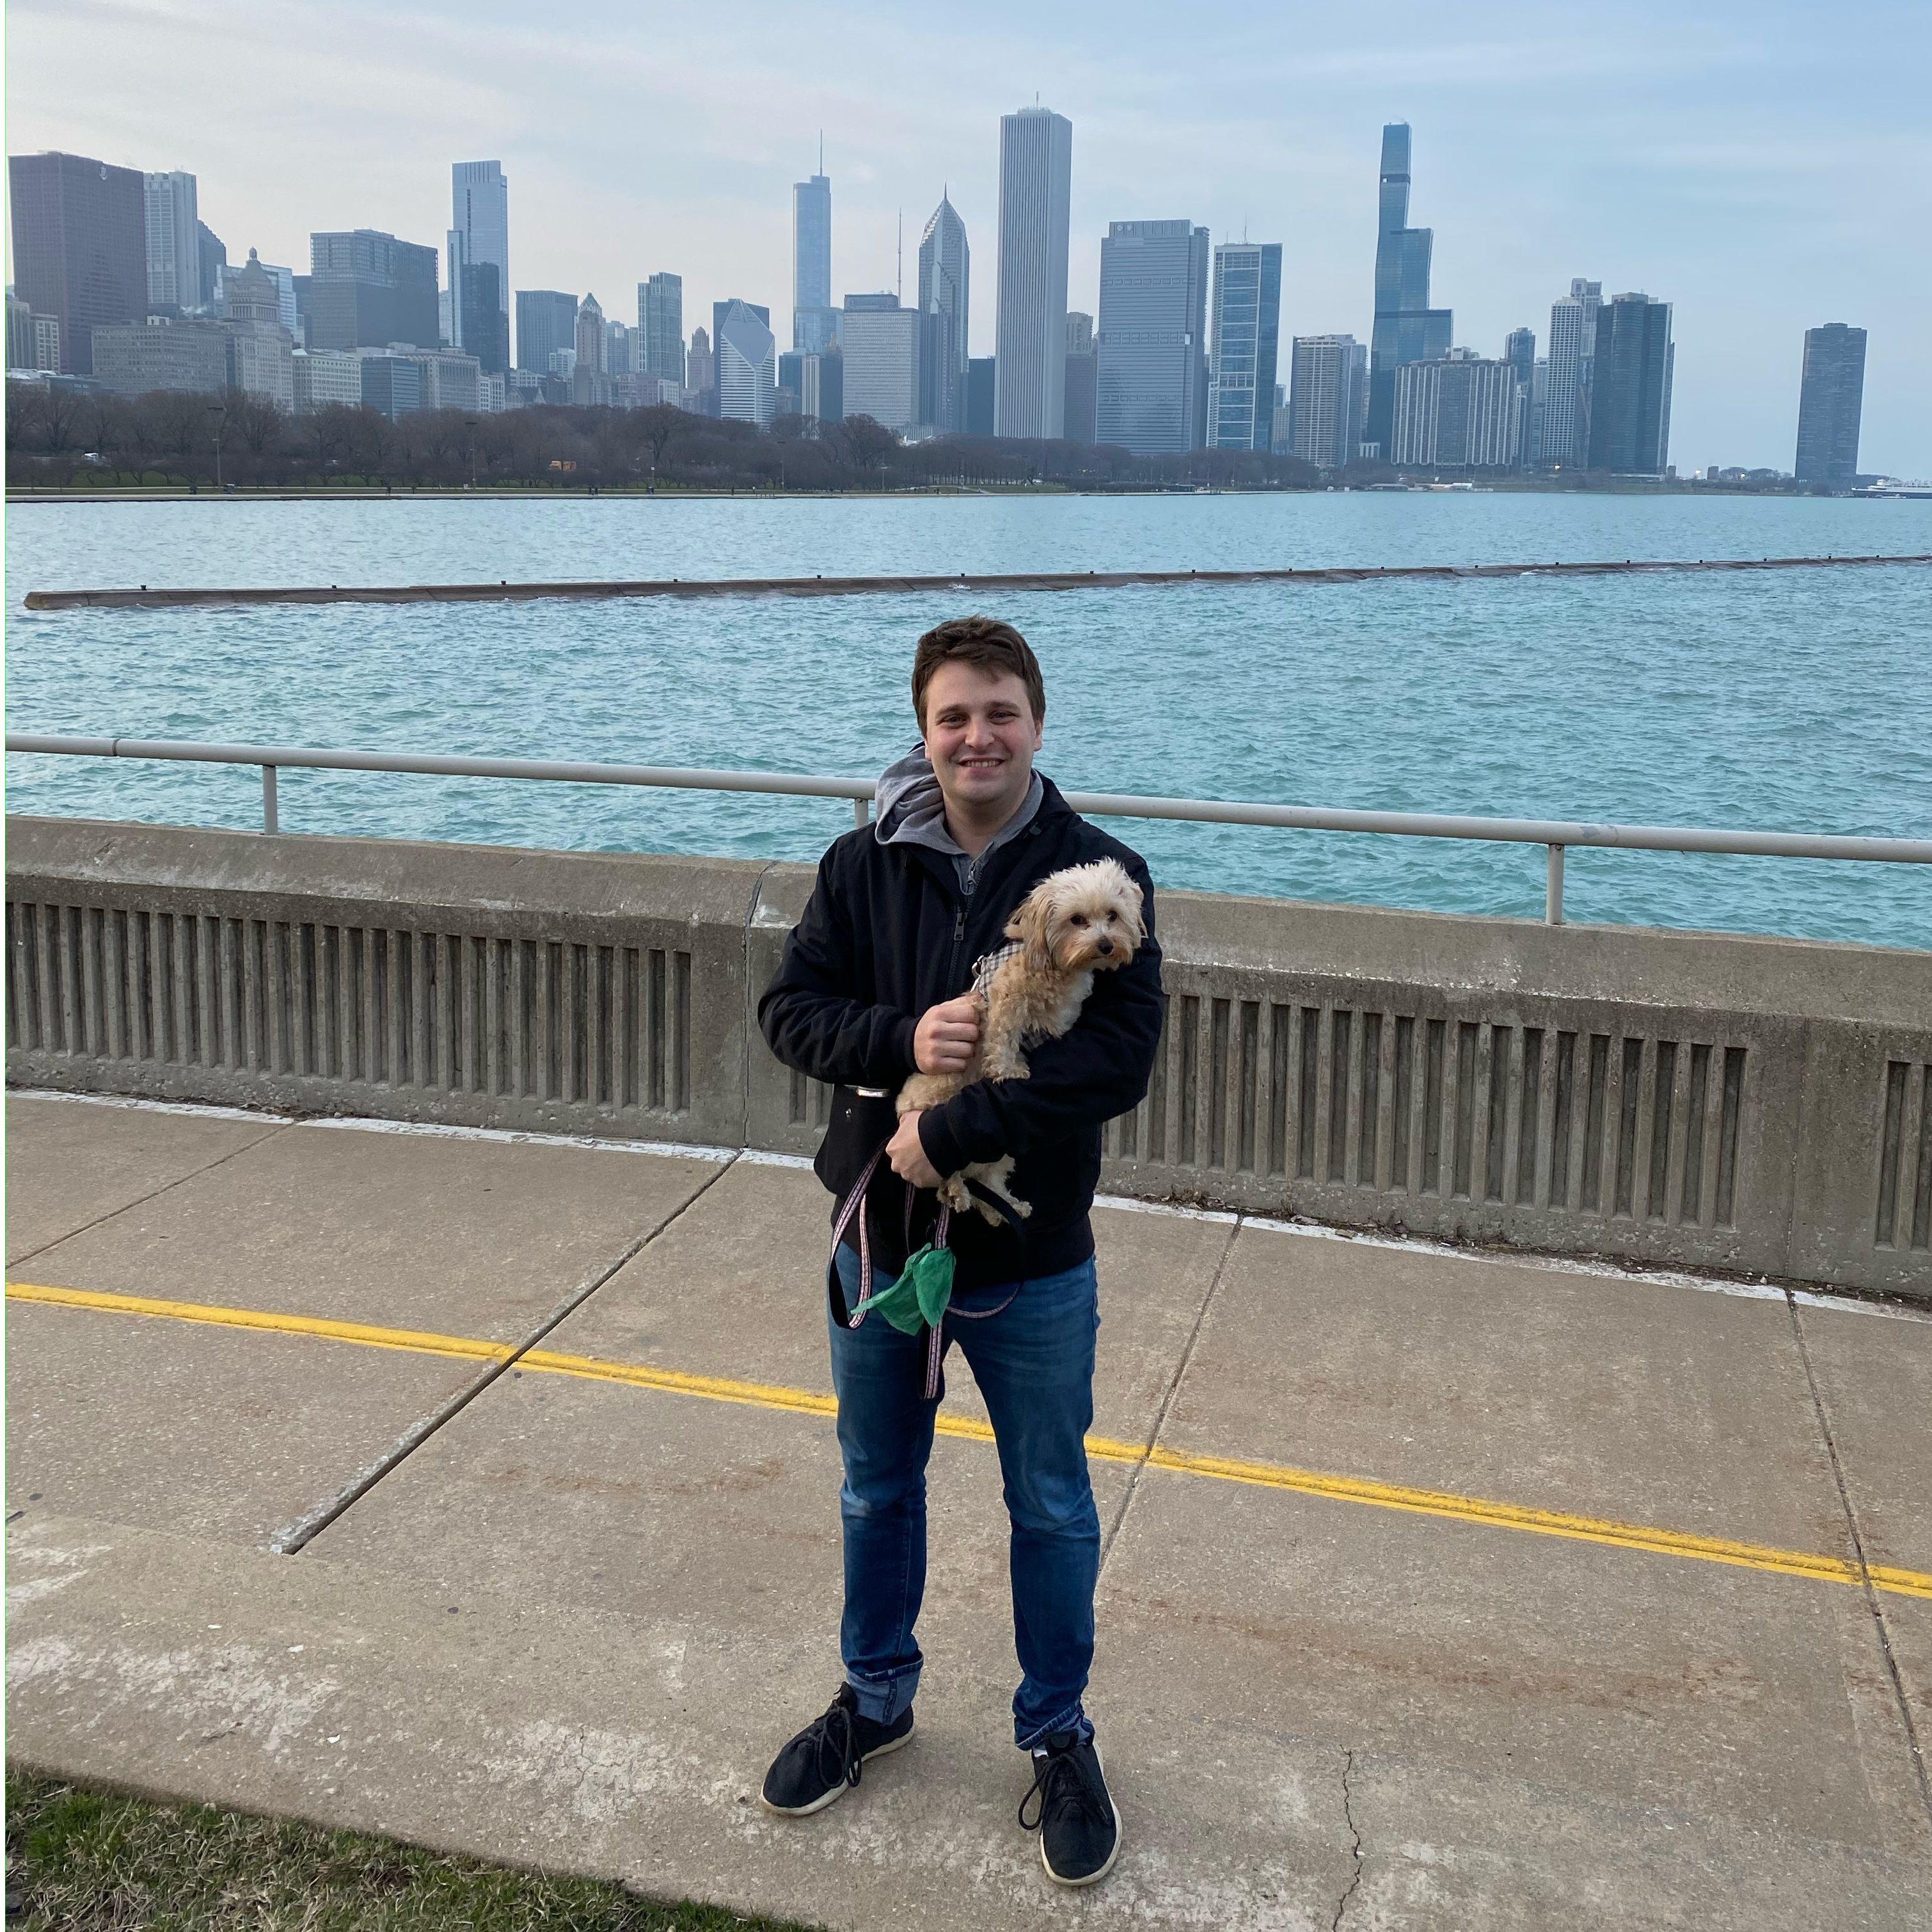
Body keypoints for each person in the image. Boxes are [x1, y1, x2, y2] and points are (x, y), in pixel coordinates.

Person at [755, 615, 1164, 1887]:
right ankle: (874, 1694)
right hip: (881, 1246)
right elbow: (788, 1011)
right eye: (952, 717)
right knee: (876, 1483)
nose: (976, 736)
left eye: (999, 712)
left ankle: (1056, 1729)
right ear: (923, 731)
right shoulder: (860, 863)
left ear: (1035, 724)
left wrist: (962, 1128)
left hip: (1032, 1251)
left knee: (1048, 1501)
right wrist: (898, 1039)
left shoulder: (1099, 870)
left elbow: (1114, 1064)